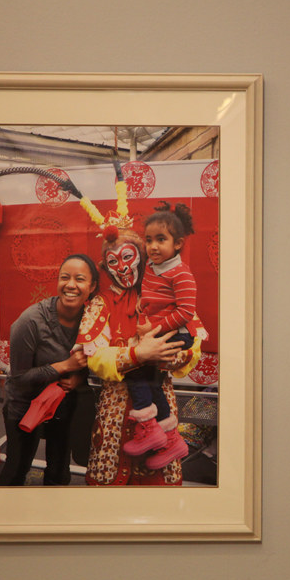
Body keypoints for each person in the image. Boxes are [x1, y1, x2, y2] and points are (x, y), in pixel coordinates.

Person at [78, 218, 192, 485]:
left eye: (129, 257)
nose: (124, 267)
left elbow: (191, 346)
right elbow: (94, 357)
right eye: (114, 261)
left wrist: (164, 354)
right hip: (115, 412)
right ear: (105, 267)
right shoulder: (100, 304)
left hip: (161, 400)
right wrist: (137, 355)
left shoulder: (167, 291)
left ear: (141, 256)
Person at [0, 254, 98, 486]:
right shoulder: (30, 322)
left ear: (91, 287)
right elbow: (20, 379)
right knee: (15, 470)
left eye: (79, 279)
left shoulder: (93, 321)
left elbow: (97, 359)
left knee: (59, 473)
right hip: (24, 406)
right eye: (65, 278)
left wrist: (78, 378)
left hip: (61, 406)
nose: (71, 285)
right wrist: (65, 366)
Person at [120, 201, 204, 468]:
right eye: (149, 240)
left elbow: (186, 313)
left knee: (135, 369)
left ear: (177, 244)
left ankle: (148, 427)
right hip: (160, 332)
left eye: (161, 240)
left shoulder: (181, 274)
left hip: (177, 334)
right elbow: (152, 295)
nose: (153, 246)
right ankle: (171, 441)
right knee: (152, 383)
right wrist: (141, 300)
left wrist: (153, 330)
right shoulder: (151, 268)